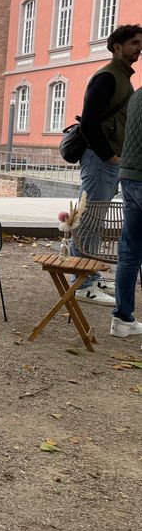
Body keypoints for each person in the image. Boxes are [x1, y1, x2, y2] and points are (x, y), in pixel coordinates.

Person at [70, 24, 142, 306]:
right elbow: (88, 122)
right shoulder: (108, 77)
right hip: (101, 159)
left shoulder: (123, 77)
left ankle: (90, 277)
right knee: (89, 219)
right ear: (117, 47)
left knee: (94, 219)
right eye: (134, 43)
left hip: (110, 159)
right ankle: (83, 284)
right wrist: (108, 156)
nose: (139, 48)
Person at [110, 26, 142, 341]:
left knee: (130, 251)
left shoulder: (137, 95)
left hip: (130, 179)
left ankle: (123, 318)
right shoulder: (114, 80)